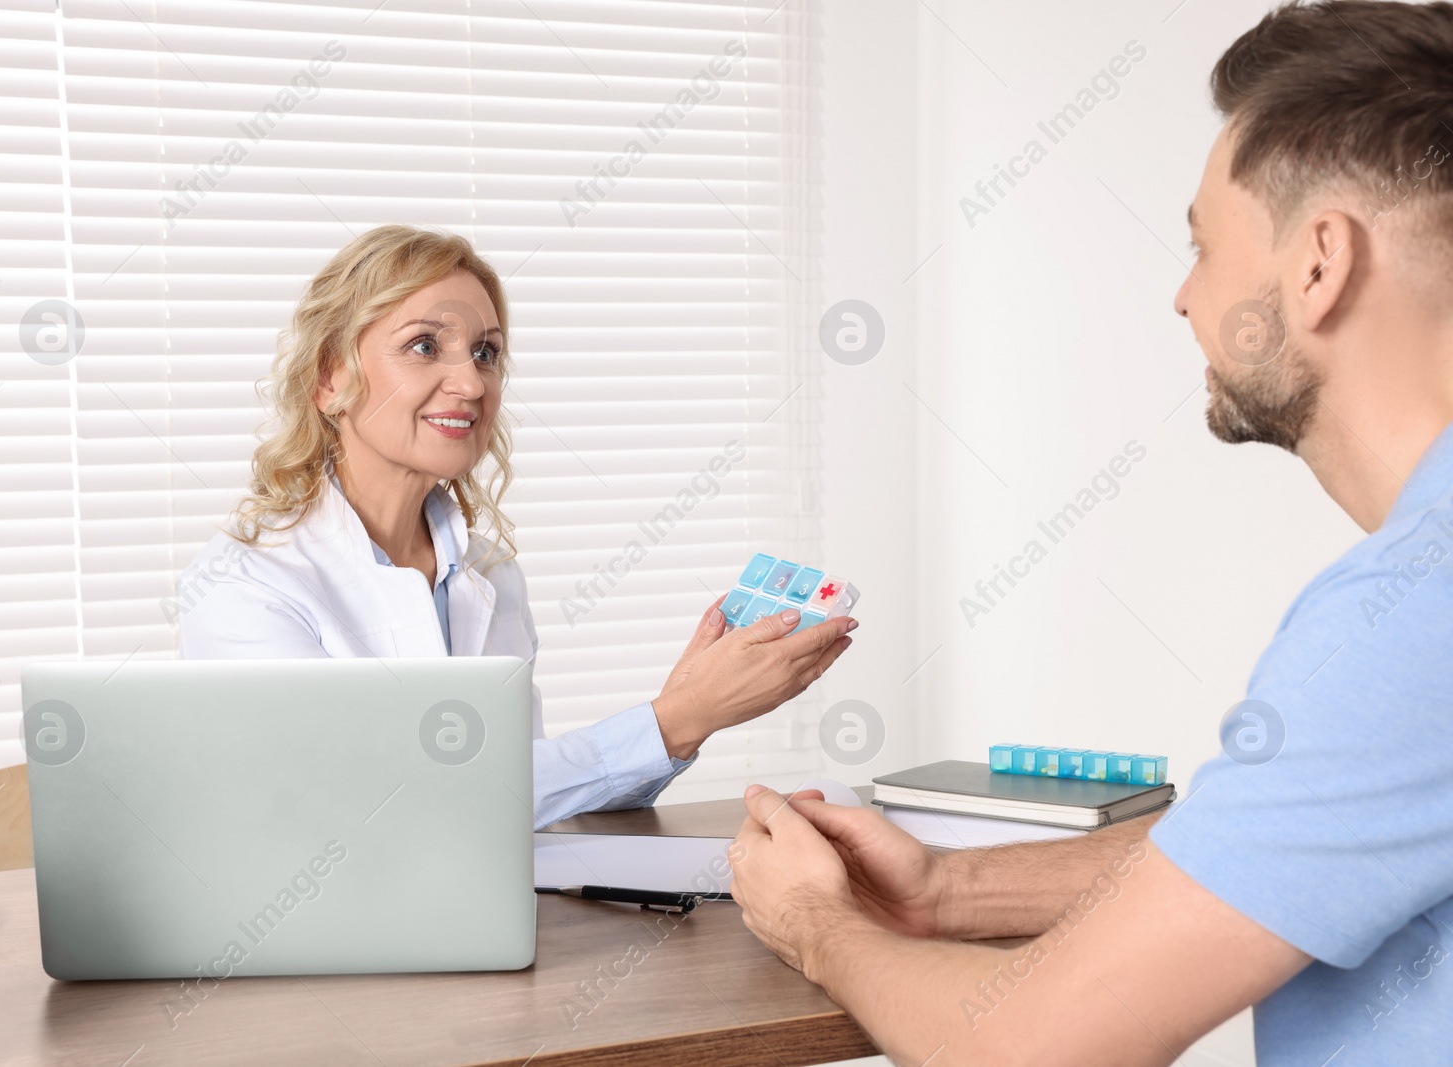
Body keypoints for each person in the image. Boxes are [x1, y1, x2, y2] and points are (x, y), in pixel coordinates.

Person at [729, 2, 1453, 1063]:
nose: (1179, 296)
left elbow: (1024, 1048)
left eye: (1204, 247)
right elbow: (1287, 839)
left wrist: (812, 920)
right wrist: (946, 888)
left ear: (1316, 265)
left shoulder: (1408, 618)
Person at [175, 225, 856, 829]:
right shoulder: (247, 585)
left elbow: (523, 795)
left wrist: (685, 711)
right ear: (331, 379)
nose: (471, 384)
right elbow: (377, 811)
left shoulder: (488, 575)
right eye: (423, 346)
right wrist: (674, 718)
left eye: (485, 353)